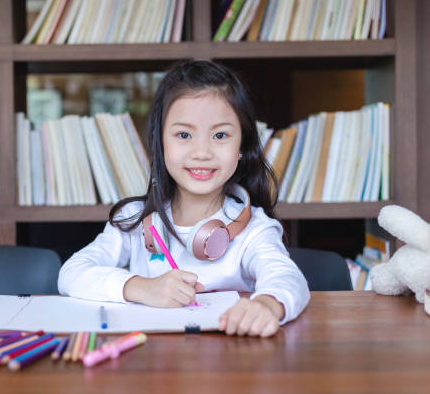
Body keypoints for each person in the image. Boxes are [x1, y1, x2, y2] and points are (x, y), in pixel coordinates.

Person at [58, 60, 310, 337]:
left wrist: (267, 304)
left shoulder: (254, 229)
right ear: (160, 142)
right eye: (184, 134)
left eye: (220, 135)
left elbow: (288, 278)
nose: (201, 152)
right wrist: (141, 287)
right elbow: (72, 273)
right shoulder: (135, 218)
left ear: (242, 147)